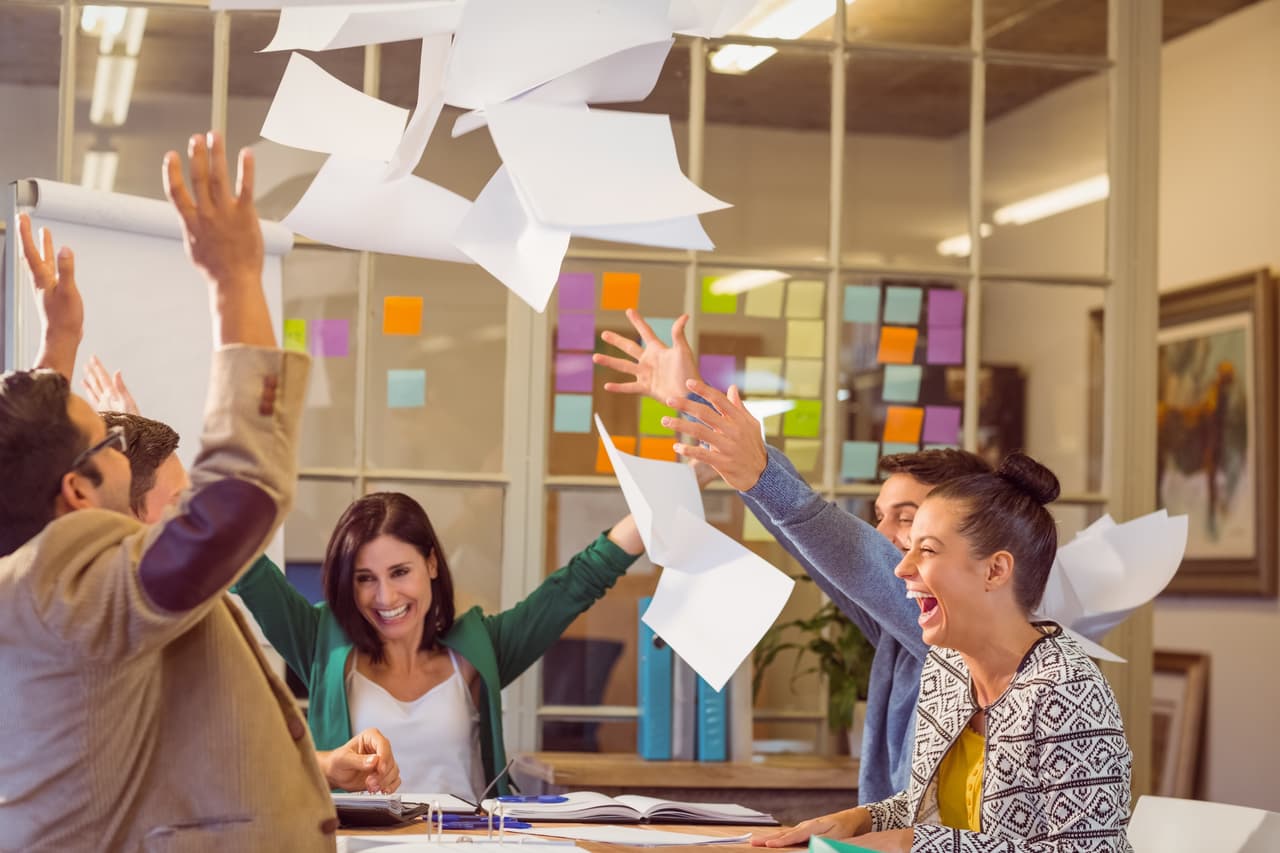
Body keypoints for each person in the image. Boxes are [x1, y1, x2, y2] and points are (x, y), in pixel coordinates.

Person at [0, 132, 376, 851]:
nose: (121, 441)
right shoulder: (70, 593)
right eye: (107, 440)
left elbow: (23, 468)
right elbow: (241, 495)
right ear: (77, 491)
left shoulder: (27, 575)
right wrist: (236, 280)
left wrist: (58, 348)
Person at [594, 309, 989, 802]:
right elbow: (816, 543)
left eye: (906, 519)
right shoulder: (905, 627)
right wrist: (711, 422)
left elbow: (835, 539)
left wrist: (752, 462)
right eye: (879, 515)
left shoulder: (961, 627)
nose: (882, 533)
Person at [740, 451, 1133, 852]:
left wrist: (915, 844)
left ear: (995, 570)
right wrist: (858, 819)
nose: (901, 568)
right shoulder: (947, 667)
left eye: (925, 550)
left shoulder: (1068, 689)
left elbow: (1089, 851)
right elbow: (926, 807)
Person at [232, 492, 646, 797]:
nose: (386, 597)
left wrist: (674, 491)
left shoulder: (479, 648)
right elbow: (243, 565)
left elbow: (579, 582)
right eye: (365, 578)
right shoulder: (319, 640)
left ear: (431, 564)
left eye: (399, 572)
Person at [85, 404, 403, 795]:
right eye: (178, 505)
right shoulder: (91, 637)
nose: (193, 525)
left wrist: (325, 766)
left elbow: (216, 752)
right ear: (121, 520)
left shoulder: (185, 615)